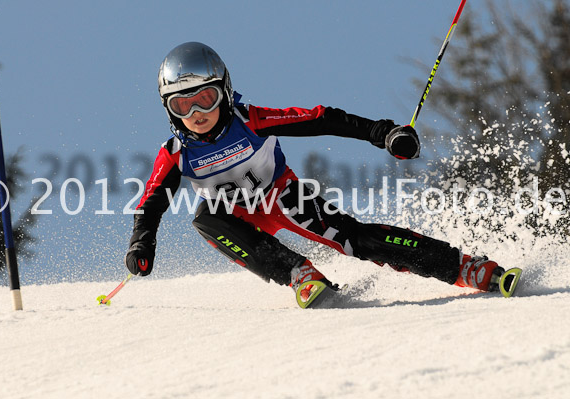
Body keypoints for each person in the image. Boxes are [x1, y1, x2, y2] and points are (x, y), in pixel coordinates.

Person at [124, 41, 511, 308]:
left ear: (223, 91)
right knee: (205, 219)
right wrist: (141, 244)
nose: (196, 114)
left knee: (354, 240)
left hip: (283, 196)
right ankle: (300, 274)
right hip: (237, 218)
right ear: (169, 110)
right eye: (182, 105)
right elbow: (150, 204)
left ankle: (466, 268)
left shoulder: (251, 121)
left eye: (204, 99)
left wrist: (384, 133)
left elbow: (321, 119)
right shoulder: (176, 153)